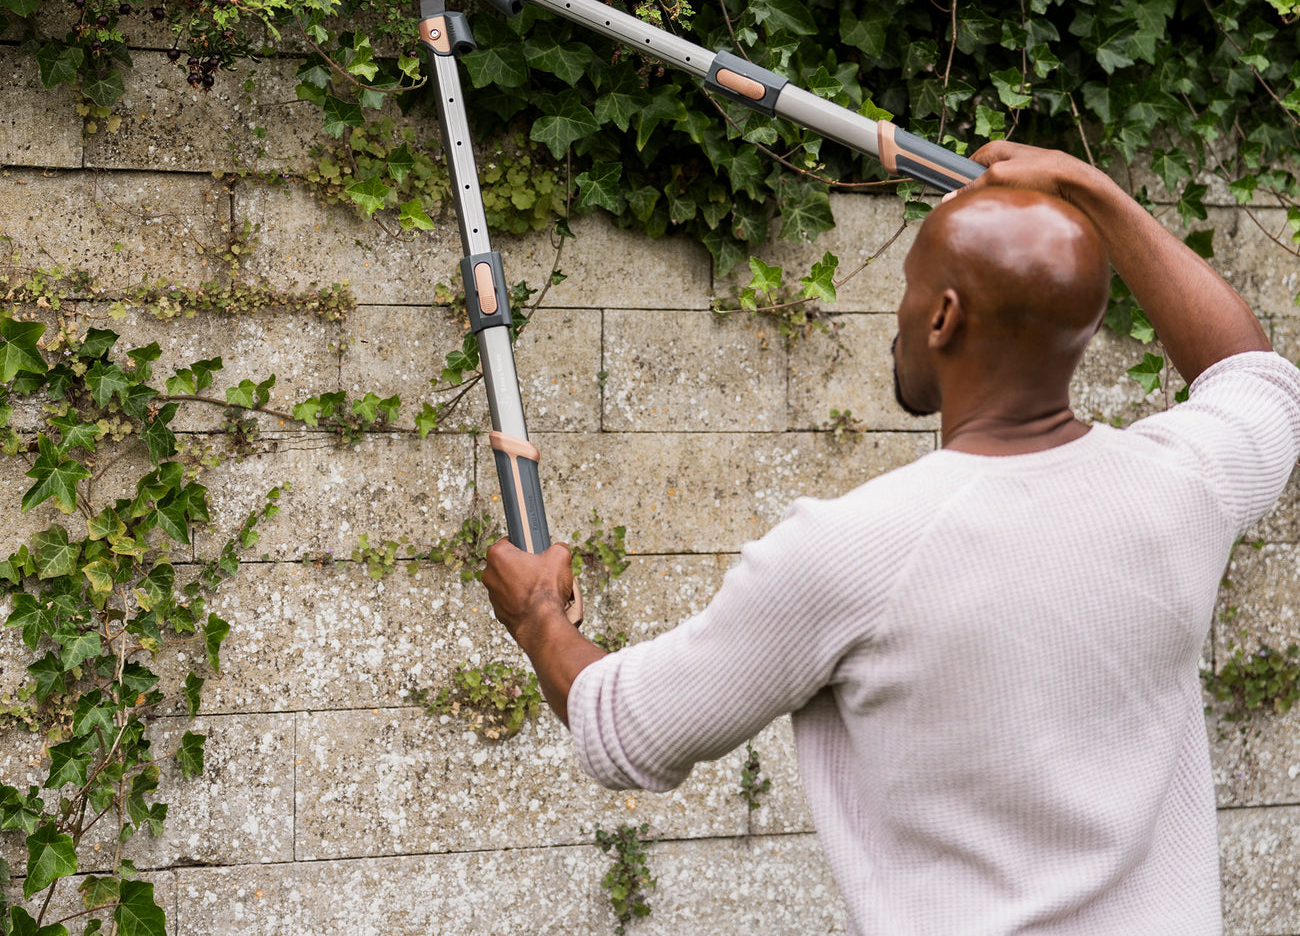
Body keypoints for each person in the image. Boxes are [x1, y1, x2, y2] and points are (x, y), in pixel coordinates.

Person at [483, 140, 1300, 935]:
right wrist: (1097, 192)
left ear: (944, 316)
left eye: (909, 288)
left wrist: (539, 616)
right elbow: (1253, 378)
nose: (898, 315)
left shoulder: (849, 551)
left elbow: (622, 731)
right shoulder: (1185, 485)